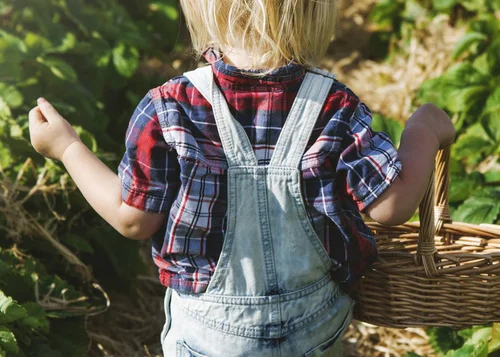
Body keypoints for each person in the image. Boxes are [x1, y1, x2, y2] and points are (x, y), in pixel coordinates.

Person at [28, 1, 456, 355]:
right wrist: (421, 131)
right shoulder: (335, 105)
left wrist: (68, 148)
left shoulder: (168, 108)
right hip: (312, 328)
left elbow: (132, 220)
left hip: (210, 337)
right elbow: (393, 205)